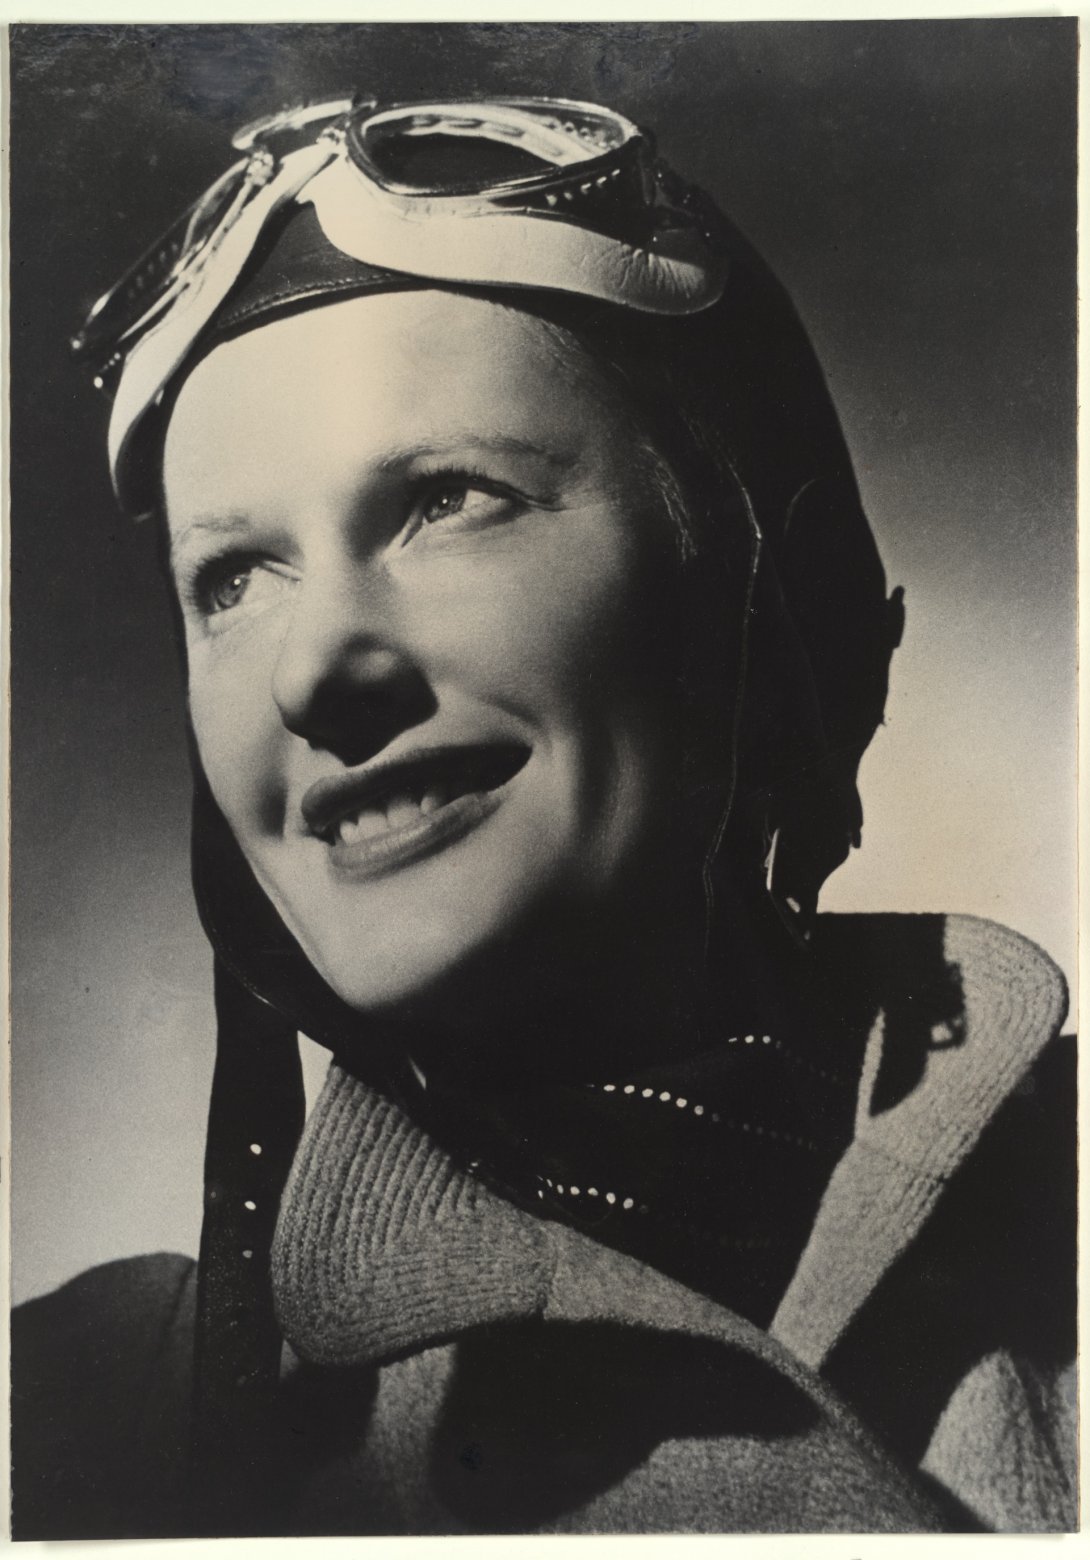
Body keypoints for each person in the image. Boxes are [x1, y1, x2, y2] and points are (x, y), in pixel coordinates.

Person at [11, 92, 1075, 1540]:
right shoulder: (77, 1432)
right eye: (232, 578)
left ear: (778, 597)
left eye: (450, 500)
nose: (319, 666)